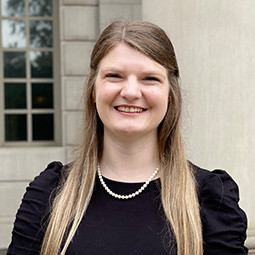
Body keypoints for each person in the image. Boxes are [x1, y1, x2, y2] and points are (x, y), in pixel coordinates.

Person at [7, 20, 248, 255]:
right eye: (114, 76)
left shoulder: (210, 198)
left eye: (150, 78)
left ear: (170, 94)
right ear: (93, 89)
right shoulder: (50, 192)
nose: (131, 92)